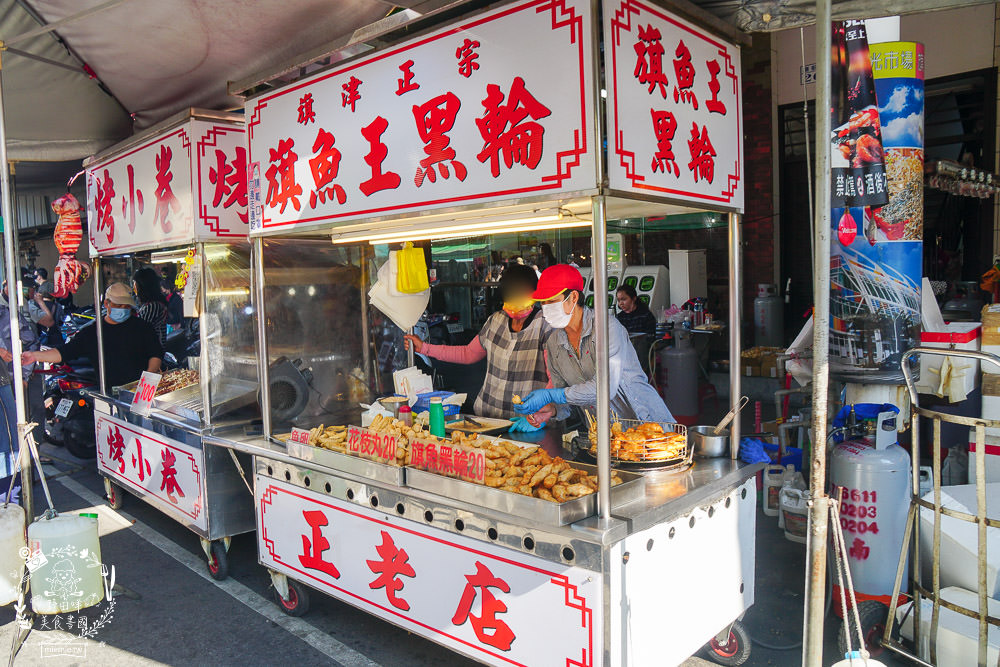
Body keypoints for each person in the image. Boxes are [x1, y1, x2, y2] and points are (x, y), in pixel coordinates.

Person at [514, 264, 674, 427]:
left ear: (574, 298)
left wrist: (552, 396)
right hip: (604, 435)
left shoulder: (606, 328)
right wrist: (552, 409)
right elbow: (567, 400)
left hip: (646, 425)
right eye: (543, 303)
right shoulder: (554, 343)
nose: (546, 308)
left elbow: (605, 387)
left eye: (552, 301)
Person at [403, 264, 550, 429]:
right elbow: (468, 353)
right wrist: (424, 348)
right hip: (487, 419)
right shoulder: (496, 321)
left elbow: (556, 380)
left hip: (526, 423)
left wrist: (542, 416)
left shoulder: (546, 326)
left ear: (534, 295)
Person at [22, 283, 163, 393]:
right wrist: (35, 356)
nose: (123, 309)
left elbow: (155, 354)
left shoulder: (143, 327)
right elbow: (64, 352)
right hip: (109, 392)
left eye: (127, 306)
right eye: (118, 305)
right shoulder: (93, 332)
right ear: (107, 304)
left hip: (141, 391)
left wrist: (147, 381)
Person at [133, 267, 168, 345]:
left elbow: (139, 329)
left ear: (142, 285)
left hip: (154, 351)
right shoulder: (148, 305)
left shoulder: (153, 306)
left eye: (135, 283)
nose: (134, 287)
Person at [28, 281, 65, 347]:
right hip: (57, 339)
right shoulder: (58, 306)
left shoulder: (34, 305)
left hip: (41, 340)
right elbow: (61, 321)